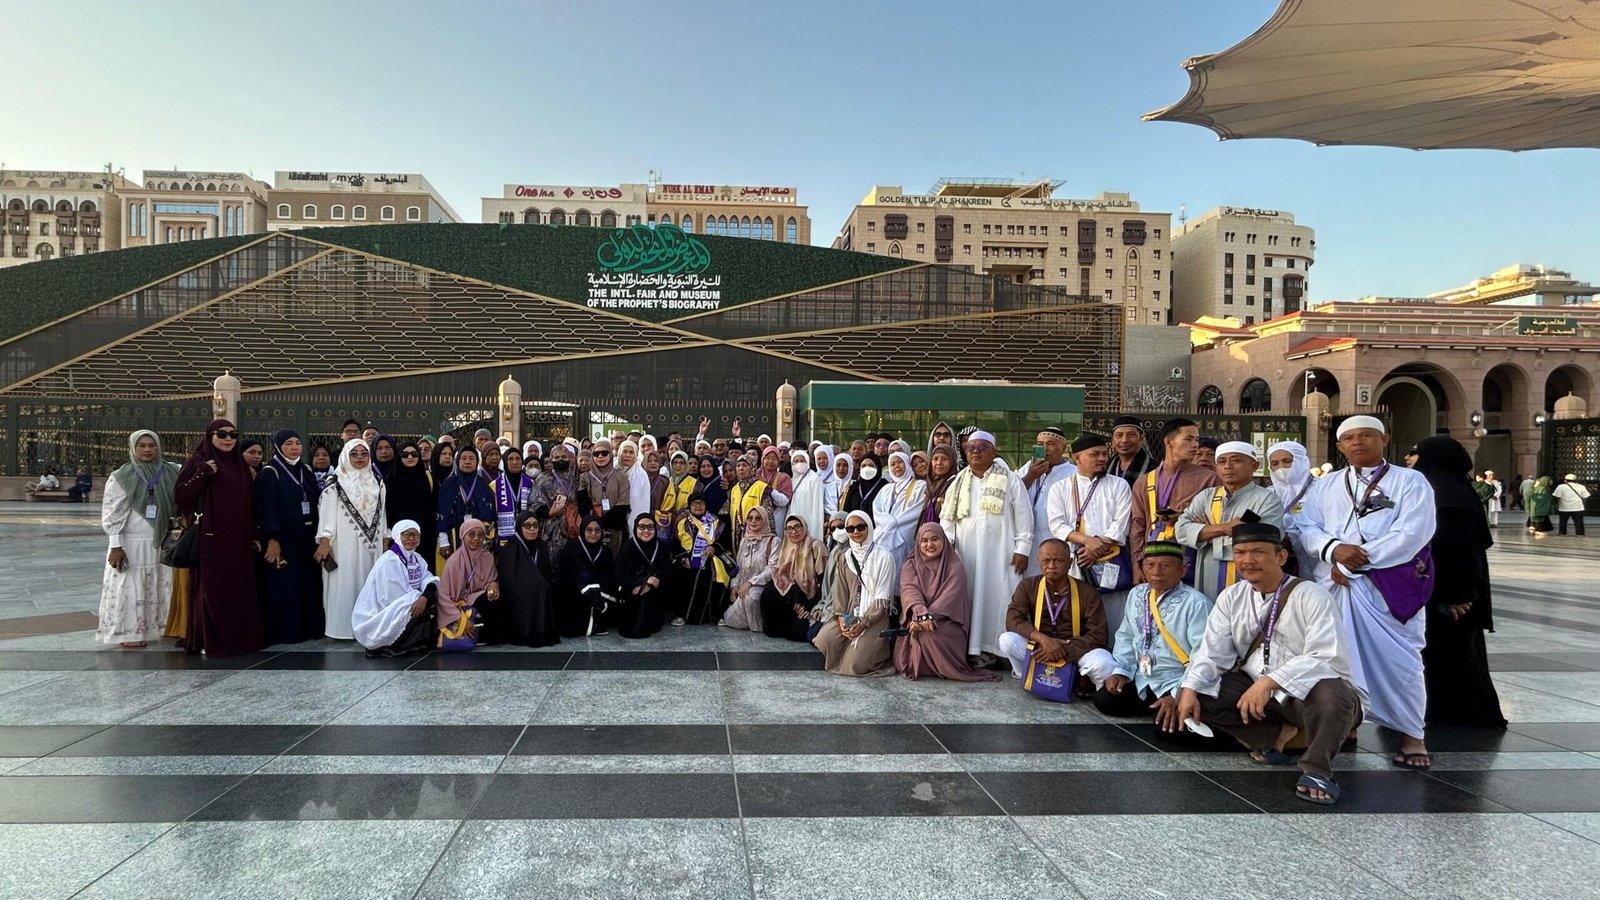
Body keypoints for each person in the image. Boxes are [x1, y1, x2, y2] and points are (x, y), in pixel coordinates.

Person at [1177, 522, 1365, 805]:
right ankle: (1276, 735)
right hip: (1260, 692)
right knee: (1192, 693)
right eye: (1240, 552)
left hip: (1308, 697)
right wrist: (1191, 688)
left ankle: (1317, 770)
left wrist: (1269, 682)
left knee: (1332, 693)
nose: (1247, 560)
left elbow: (1326, 656)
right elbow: (1212, 652)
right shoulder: (1232, 597)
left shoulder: (1312, 595)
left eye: (1258, 552)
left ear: (1281, 556)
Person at [1297, 415, 1435, 770]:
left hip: (1386, 586)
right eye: (1350, 438)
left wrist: (1353, 562)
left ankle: (1412, 734)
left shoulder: (1410, 481)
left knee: (1401, 661)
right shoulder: (1326, 485)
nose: (1358, 442)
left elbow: (1413, 533)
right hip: (1334, 585)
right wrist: (1332, 550)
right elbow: (1306, 526)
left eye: (1366, 436)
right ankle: (1349, 723)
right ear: (1340, 446)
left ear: (1384, 439)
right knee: (1338, 658)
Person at [1411, 437, 1506, 728]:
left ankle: (1452, 714)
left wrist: (1458, 594)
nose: (1412, 461)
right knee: (1451, 651)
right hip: (1441, 587)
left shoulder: (1446, 496)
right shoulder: (1452, 490)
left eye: (1418, 455)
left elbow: (1459, 550)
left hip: (1449, 591)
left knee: (1448, 650)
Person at [940, 430, 1032, 664]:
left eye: (982, 448)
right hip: (966, 554)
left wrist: (1022, 548)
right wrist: (947, 549)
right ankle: (974, 650)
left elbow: (1024, 515)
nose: (976, 452)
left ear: (993, 451)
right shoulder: (957, 482)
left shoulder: (1010, 479)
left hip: (1002, 553)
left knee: (1002, 598)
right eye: (971, 448)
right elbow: (946, 520)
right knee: (970, 597)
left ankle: (1001, 652)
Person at [174, 419, 264, 658]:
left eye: (233, 435)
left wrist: (254, 533)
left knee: (238, 588)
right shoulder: (199, 461)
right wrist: (203, 474)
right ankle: (211, 639)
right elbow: (181, 497)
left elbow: (249, 502)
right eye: (221, 435)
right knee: (213, 590)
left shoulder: (239, 464)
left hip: (238, 538)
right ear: (210, 436)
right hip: (211, 537)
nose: (228, 439)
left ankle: (239, 639)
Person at [1095, 541, 1211, 727]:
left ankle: (1168, 704)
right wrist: (1121, 671)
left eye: (1165, 566)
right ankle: (1156, 707)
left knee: (1167, 730)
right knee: (1105, 700)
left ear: (1182, 570)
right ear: (1143, 568)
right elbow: (1126, 636)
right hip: (1143, 677)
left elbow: (1202, 653)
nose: (1156, 572)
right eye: (1150, 565)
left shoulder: (1196, 603)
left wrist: (1177, 693)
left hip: (1175, 680)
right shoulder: (1137, 593)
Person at [998, 538, 1114, 691]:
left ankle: (1078, 680)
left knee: (1105, 664)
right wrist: (1043, 640)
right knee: (1007, 640)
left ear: (1070, 562)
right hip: (1040, 649)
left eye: (1058, 560)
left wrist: (1062, 649)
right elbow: (1012, 619)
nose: (1051, 566)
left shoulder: (1087, 592)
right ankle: (1028, 675)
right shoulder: (1028, 585)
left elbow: (1099, 635)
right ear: (1039, 562)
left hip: (1075, 651)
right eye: (1046, 561)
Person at [1175, 442, 1285, 600]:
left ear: (1254, 466)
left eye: (1236, 460)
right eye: (1222, 461)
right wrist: (1224, 529)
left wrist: (1204, 536)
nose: (1227, 466)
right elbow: (1181, 531)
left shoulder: (1267, 500)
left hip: (1249, 578)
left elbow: (1262, 543)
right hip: (1208, 577)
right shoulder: (1206, 496)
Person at [98, 430, 177, 648]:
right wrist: (116, 546)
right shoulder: (121, 477)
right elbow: (112, 513)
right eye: (141, 446)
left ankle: (162, 626)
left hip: (162, 540)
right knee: (131, 586)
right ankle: (131, 633)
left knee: (160, 583)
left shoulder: (172, 471)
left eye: (151, 445)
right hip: (131, 542)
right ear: (133, 448)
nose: (147, 450)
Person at [894, 523, 1001, 682]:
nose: (929, 545)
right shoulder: (911, 564)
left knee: (928, 636)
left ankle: (943, 667)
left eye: (935, 539)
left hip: (947, 621)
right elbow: (910, 590)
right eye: (924, 540)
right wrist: (920, 613)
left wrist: (927, 618)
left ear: (943, 541)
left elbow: (948, 599)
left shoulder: (955, 567)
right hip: (917, 617)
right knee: (916, 635)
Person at [1128, 418, 1221, 581]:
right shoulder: (1145, 481)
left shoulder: (1210, 479)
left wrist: (1183, 519)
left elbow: (1219, 523)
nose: (1195, 445)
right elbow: (1138, 526)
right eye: (1188, 439)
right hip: (1154, 563)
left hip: (1193, 560)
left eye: (1196, 440)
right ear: (1169, 441)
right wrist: (1137, 563)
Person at [1047, 432, 1134, 605]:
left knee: (1113, 610)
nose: (1102, 458)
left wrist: (1097, 548)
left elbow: (1121, 523)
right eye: (1095, 454)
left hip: (1111, 558)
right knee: (1077, 609)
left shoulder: (1119, 484)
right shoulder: (1060, 488)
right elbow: (1057, 525)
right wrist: (1088, 541)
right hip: (1077, 560)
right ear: (1077, 458)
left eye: (1104, 454)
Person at [255, 428, 324, 644]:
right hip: (284, 540)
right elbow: (266, 509)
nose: (294, 447)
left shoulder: (306, 470)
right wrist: (272, 540)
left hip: (306, 538)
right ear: (278, 447)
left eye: (297, 443)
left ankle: (309, 629)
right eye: (288, 444)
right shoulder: (270, 473)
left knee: (307, 585)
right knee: (286, 587)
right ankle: (287, 633)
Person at [315, 439, 387, 641]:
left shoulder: (377, 480)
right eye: (354, 454)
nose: (359, 458)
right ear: (346, 456)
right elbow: (326, 513)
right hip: (342, 544)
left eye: (364, 453)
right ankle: (342, 629)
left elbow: (383, 512)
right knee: (344, 582)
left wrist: (385, 537)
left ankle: (368, 627)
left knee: (370, 582)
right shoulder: (335, 482)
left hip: (372, 543)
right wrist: (324, 540)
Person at [813, 510, 896, 676]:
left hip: (874, 617)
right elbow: (840, 590)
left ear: (869, 527)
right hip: (850, 614)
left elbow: (882, 598)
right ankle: (848, 650)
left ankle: (870, 654)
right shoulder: (846, 557)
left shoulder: (883, 557)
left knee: (853, 666)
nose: (855, 532)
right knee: (824, 640)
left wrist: (864, 623)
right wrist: (841, 617)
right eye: (850, 529)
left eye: (860, 527)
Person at [352, 520, 441, 657]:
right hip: (379, 613)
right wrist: (420, 598)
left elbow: (427, 579)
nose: (411, 538)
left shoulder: (416, 558)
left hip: (408, 600)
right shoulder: (390, 560)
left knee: (432, 598)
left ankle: (413, 643)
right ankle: (391, 645)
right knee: (413, 607)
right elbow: (392, 597)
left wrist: (425, 597)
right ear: (397, 536)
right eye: (406, 534)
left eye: (415, 535)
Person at [491, 510, 560, 647]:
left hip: (541, 589)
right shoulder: (511, 548)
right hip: (518, 593)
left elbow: (547, 573)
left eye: (535, 525)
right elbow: (508, 579)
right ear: (519, 527)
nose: (532, 529)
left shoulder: (541, 546)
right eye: (527, 526)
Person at [761, 515, 827, 642]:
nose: (793, 532)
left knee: (799, 633)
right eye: (789, 529)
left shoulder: (815, 546)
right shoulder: (786, 547)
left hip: (811, 597)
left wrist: (809, 606)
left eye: (797, 527)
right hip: (793, 596)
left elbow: (823, 579)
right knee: (768, 593)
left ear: (804, 527)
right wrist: (795, 597)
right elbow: (781, 576)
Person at [1019, 427, 1076, 577]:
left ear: (1063, 448)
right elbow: (1013, 495)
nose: (1044, 448)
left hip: (1058, 541)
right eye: (1040, 444)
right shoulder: (1028, 468)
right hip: (1030, 542)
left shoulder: (1073, 472)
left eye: (1050, 444)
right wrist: (1031, 475)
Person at [671, 492, 730, 625]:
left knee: (711, 573)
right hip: (688, 558)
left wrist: (714, 547)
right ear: (689, 506)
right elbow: (675, 543)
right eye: (694, 503)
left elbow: (724, 541)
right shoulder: (682, 523)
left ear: (706, 505)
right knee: (679, 573)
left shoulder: (716, 522)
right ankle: (682, 614)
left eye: (701, 503)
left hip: (711, 557)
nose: (698, 506)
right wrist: (683, 557)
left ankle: (714, 616)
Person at [438, 517, 497, 648]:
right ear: (463, 536)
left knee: (495, 599)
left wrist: (493, 584)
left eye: (480, 535)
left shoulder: (487, 557)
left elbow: (490, 579)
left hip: (476, 600)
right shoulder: (453, 562)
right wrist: (460, 619)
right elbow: (443, 597)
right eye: (471, 534)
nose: (476, 538)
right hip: (457, 606)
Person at [556, 514, 616, 637]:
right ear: (582, 530)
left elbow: (608, 575)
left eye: (597, 530)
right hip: (575, 592)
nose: (593, 533)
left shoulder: (606, 551)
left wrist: (599, 589)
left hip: (598, 592)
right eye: (589, 530)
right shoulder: (573, 547)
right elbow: (578, 570)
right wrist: (591, 588)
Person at [384, 441, 438, 572]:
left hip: (425, 536)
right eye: (405, 454)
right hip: (400, 536)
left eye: (414, 454)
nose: (410, 457)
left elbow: (434, 505)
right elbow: (387, 510)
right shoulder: (390, 480)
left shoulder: (428, 478)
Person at [614, 513, 670, 639]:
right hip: (632, 593)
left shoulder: (661, 547)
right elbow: (620, 576)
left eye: (650, 527)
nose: (646, 531)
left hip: (656, 590)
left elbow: (667, 572)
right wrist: (641, 583)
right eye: (642, 527)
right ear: (636, 528)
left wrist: (653, 581)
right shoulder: (628, 548)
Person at [1267, 441, 1318, 577]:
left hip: (1319, 560)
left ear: (1300, 461)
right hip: (1284, 562)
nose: (1281, 467)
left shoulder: (1321, 488)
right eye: (1275, 463)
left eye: (1287, 461)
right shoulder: (1268, 494)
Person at [872, 450, 927, 575]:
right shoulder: (886, 488)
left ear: (907, 464)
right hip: (884, 531)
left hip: (905, 532)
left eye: (899, 462)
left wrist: (893, 523)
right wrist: (887, 524)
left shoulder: (920, 486)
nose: (896, 466)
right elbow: (877, 510)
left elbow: (916, 511)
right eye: (892, 464)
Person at [724, 505, 779, 630]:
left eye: (758, 518)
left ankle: (758, 629)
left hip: (764, 586)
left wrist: (751, 582)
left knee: (751, 597)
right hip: (744, 588)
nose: (753, 521)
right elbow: (739, 568)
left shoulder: (774, 541)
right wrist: (734, 585)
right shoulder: (744, 540)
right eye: (750, 518)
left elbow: (772, 569)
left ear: (764, 520)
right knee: (730, 617)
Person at [437, 445, 495, 560]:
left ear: (477, 462)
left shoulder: (483, 485)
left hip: (479, 538)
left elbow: (490, 514)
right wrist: (443, 541)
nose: (467, 461)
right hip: (455, 536)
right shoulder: (449, 484)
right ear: (457, 461)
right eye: (464, 458)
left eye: (471, 458)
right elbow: (442, 513)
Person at [584, 439, 632, 549]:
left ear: (610, 454)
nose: (600, 456)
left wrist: (603, 522)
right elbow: (583, 506)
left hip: (615, 528)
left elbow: (623, 504)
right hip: (591, 529)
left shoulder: (621, 477)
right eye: (596, 454)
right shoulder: (585, 478)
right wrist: (595, 523)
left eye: (604, 453)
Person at [490, 447, 536, 548]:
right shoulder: (495, 485)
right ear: (505, 462)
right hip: (504, 538)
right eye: (510, 459)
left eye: (518, 458)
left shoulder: (531, 483)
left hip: (527, 535)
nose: (514, 462)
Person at [728, 455, 769, 546]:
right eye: (738, 465)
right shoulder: (734, 489)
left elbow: (768, 515)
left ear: (752, 468)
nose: (740, 468)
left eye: (744, 465)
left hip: (757, 534)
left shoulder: (761, 487)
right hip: (738, 536)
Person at [787, 448, 825, 541]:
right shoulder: (791, 481)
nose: (799, 463)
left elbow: (817, 507)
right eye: (796, 461)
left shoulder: (814, 479)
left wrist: (815, 533)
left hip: (809, 521)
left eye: (802, 461)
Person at [618, 441, 654, 536]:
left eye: (631, 452)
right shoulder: (612, 469)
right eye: (624, 451)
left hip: (633, 517)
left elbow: (643, 503)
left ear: (636, 455)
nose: (627, 455)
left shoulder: (641, 475)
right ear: (619, 453)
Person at [1108, 415, 1153, 486]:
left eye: (1131, 435)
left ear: (1141, 438)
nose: (1124, 440)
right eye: (1119, 435)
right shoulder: (1106, 467)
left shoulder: (1154, 469)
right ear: (1112, 440)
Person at [920, 445, 960, 524]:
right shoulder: (930, 484)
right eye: (935, 459)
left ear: (952, 461)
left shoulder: (956, 483)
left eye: (944, 459)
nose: (939, 463)